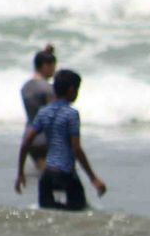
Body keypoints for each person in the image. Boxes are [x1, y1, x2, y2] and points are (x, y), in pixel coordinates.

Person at [16, 69, 106, 211]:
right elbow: (76, 149)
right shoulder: (71, 114)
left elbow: (26, 143)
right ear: (71, 90)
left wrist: (20, 173)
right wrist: (93, 178)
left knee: (47, 215)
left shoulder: (44, 112)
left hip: (47, 176)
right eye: (77, 89)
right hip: (66, 175)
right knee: (82, 213)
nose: (77, 93)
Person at [22, 45, 57, 158]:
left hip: (29, 136)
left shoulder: (26, 86)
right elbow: (54, 115)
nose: (54, 70)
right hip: (45, 139)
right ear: (45, 66)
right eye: (53, 66)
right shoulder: (47, 88)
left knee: (37, 173)